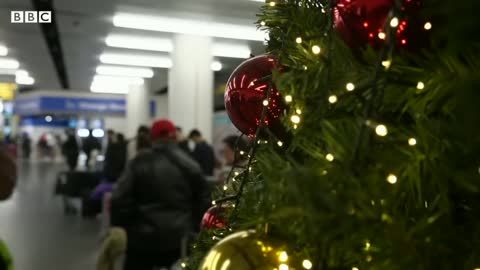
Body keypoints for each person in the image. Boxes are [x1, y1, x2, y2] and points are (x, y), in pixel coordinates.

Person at [111, 119, 211, 270]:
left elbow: (119, 199)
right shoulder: (190, 164)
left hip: (142, 240)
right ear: (174, 137)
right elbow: (203, 200)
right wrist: (193, 227)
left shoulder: (138, 162)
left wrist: (127, 225)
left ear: (152, 138)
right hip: (179, 240)